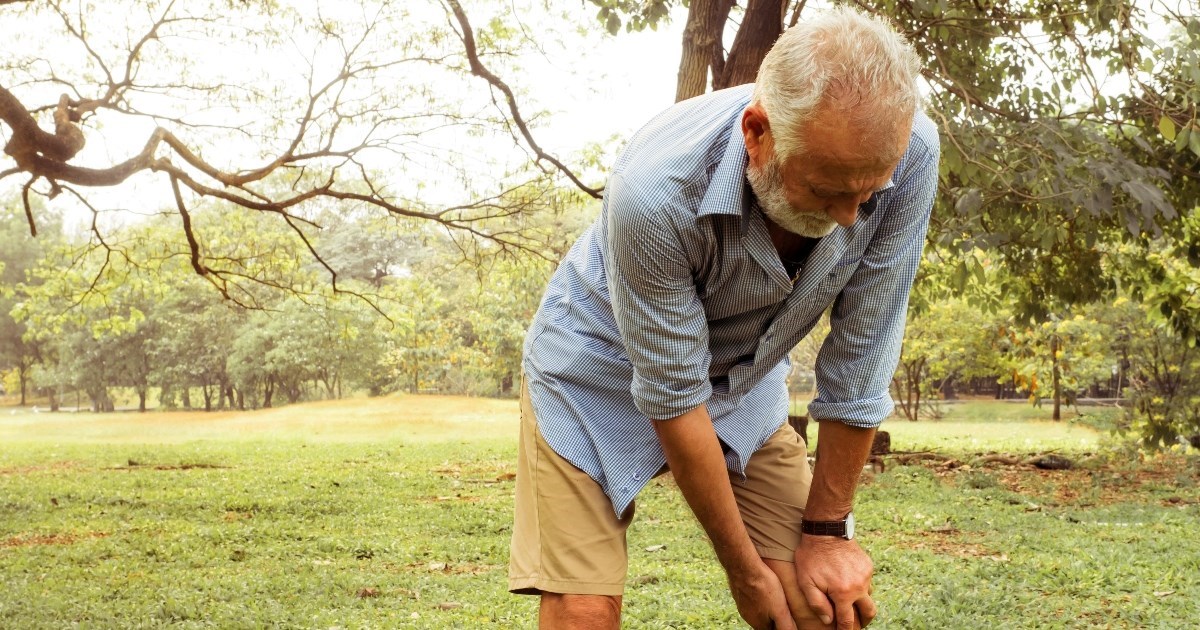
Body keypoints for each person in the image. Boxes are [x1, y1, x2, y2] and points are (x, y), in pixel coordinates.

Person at [508, 6, 938, 629]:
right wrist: (743, 570)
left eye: (868, 193)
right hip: (593, 367)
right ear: (758, 133)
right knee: (584, 607)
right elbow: (675, 398)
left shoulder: (910, 152)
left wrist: (826, 532)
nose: (851, 218)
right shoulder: (653, 190)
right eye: (825, 191)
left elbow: (864, 354)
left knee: (817, 602)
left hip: (741, 374)